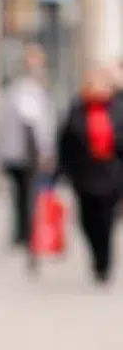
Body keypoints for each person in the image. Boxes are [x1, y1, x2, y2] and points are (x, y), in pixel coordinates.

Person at [58, 67, 122, 283]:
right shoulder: (77, 109)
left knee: (106, 220)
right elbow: (65, 141)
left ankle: (104, 262)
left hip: (111, 174)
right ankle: (96, 254)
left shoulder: (117, 109)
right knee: (87, 221)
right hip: (84, 175)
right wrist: (63, 171)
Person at [0, 44, 55, 248]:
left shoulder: (27, 88)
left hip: (20, 152)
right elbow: (32, 123)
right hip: (23, 153)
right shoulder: (25, 89)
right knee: (24, 194)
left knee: (24, 195)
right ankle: (25, 232)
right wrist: (43, 151)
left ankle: (25, 232)